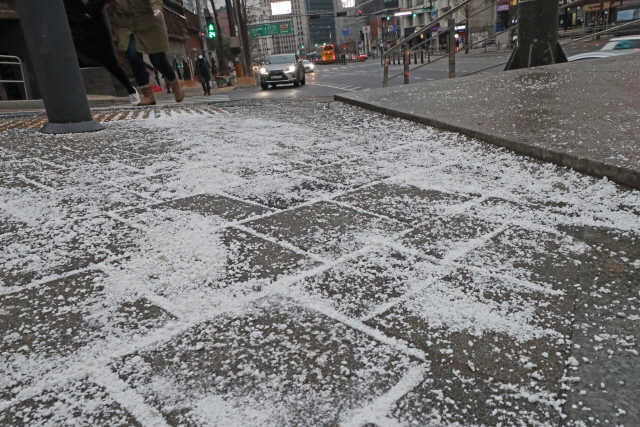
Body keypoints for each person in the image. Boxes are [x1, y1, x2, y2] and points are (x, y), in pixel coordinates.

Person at [63, 0, 140, 105]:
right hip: (74, 28)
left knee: (109, 62)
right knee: (70, 58)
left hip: (94, 28)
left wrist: (88, 13)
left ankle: (130, 89)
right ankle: (73, 96)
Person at [113, 0, 183, 105]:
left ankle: (174, 82)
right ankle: (148, 96)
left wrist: (157, 8)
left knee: (158, 60)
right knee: (133, 56)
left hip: (150, 23)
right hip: (129, 27)